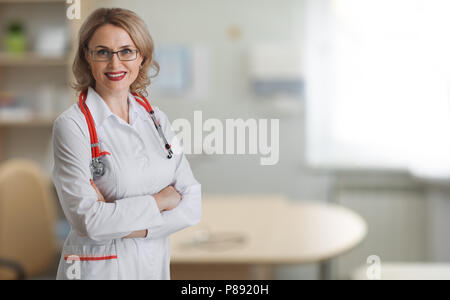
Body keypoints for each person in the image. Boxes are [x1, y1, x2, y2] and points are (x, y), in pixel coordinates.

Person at [52, 7, 201, 280]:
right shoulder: (72, 126)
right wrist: (160, 200)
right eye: (102, 52)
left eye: (126, 51)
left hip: (153, 265)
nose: (115, 63)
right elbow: (90, 221)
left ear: (141, 56)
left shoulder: (156, 119)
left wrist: (126, 223)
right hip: (99, 270)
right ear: (87, 56)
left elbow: (192, 204)